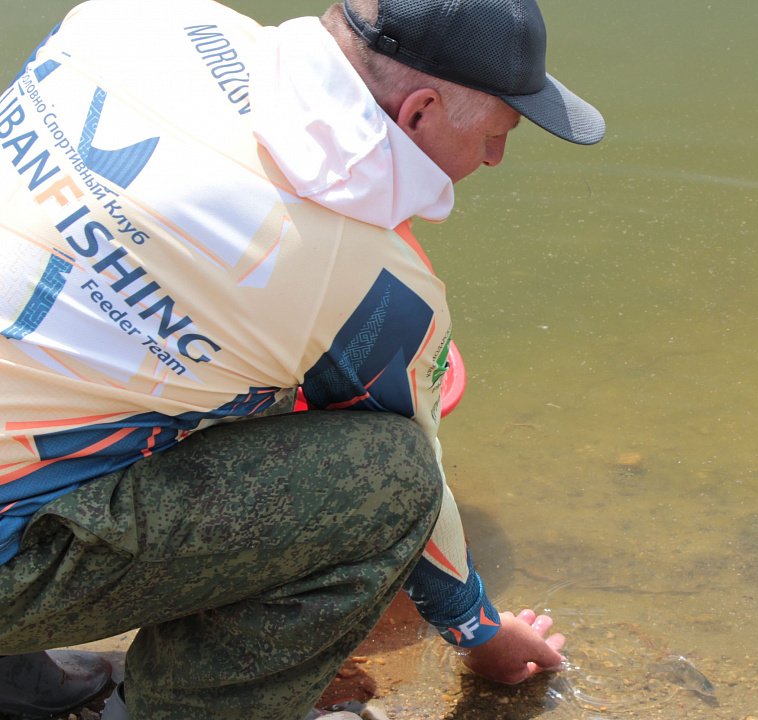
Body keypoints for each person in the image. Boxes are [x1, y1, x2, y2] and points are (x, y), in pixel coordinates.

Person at [0, 0, 604, 717]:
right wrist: (478, 632)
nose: (496, 157)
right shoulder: (365, 287)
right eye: (496, 134)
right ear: (418, 114)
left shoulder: (133, 22)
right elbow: (415, 492)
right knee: (386, 473)